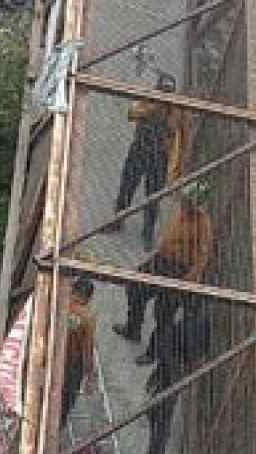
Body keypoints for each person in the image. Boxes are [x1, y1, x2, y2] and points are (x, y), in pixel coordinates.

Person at [112, 183, 212, 366]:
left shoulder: (202, 224)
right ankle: (133, 327)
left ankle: (153, 352)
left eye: (187, 202)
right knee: (135, 286)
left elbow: (203, 256)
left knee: (164, 313)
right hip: (161, 261)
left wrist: (190, 279)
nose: (183, 204)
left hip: (179, 270)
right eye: (184, 200)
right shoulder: (181, 213)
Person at [128, 307, 210, 454]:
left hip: (173, 373)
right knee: (156, 413)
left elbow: (175, 353)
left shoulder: (186, 327)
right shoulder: (200, 322)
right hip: (176, 370)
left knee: (161, 418)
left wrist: (162, 373)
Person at [109, 73, 179, 248]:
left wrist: (172, 166)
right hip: (139, 150)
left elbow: (177, 141)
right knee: (127, 186)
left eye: (168, 93)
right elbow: (131, 113)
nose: (164, 96)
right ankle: (118, 220)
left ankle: (148, 232)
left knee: (153, 196)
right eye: (162, 91)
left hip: (159, 158)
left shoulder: (175, 113)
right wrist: (150, 106)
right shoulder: (148, 102)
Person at [60, 277, 96, 428]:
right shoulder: (87, 318)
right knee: (67, 397)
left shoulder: (61, 305)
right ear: (88, 298)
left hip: (56, 355)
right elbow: (87, 349)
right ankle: (59, 425)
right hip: (72, 363)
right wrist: (90, 376)